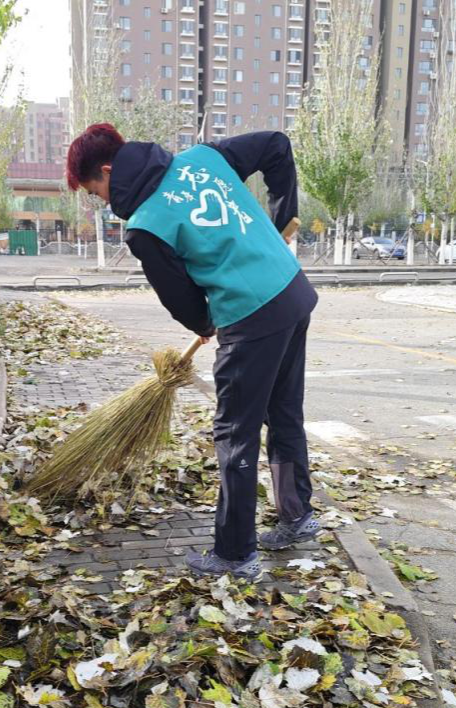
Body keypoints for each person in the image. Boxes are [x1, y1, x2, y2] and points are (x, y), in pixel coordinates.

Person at [64, 123, 319, 578]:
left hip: (252, 314)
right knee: (283, 413)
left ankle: (236, 554)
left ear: (107, 171)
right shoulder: (203, 159)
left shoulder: (146, 226)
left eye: (93, 190)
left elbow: (180, 299)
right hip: (293, 292)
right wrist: (282, 220)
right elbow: (276, 146)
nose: (100, 200)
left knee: (235, 432)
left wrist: (204, 323)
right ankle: (297, 517)